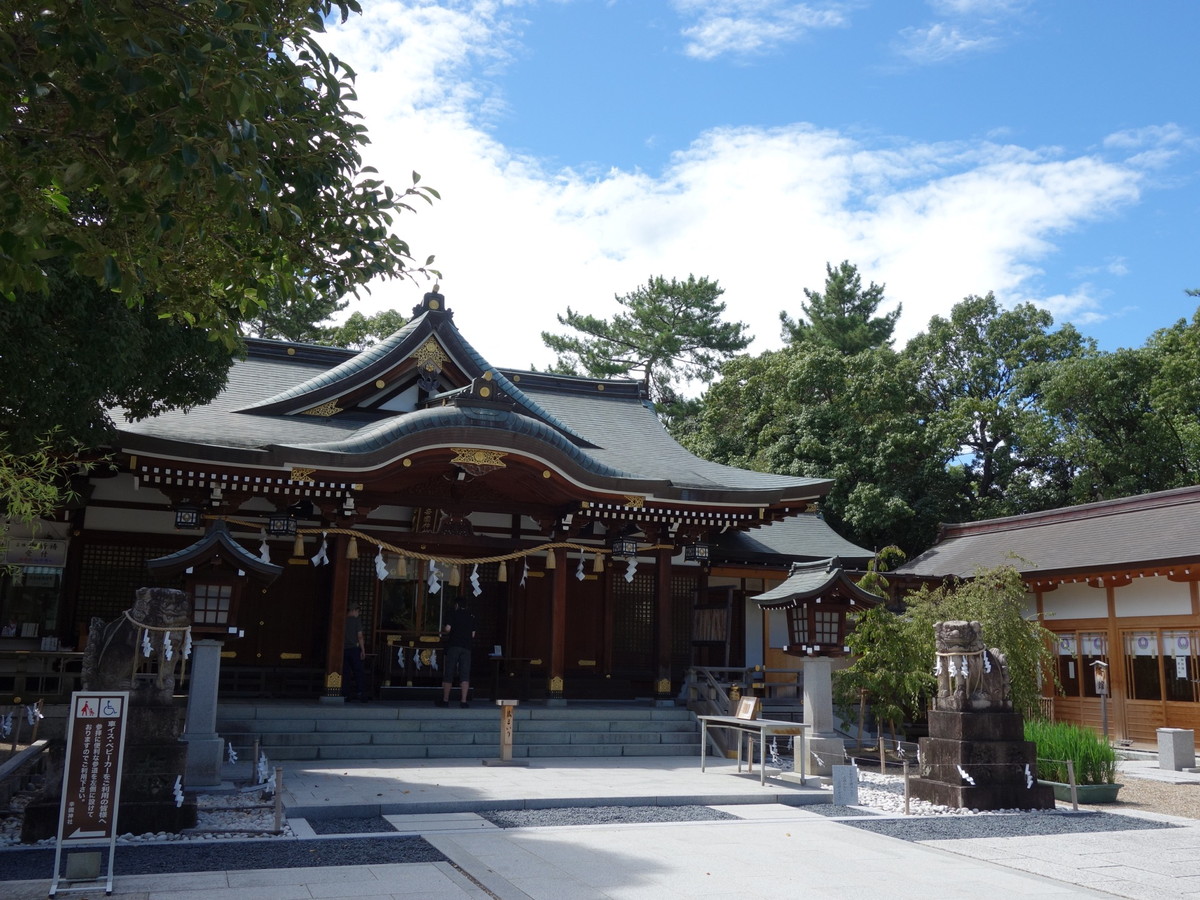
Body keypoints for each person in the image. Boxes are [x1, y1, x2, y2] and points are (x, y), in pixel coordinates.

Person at [437, 597, 476, 708]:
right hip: (467, 647)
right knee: (465, 674)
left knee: (449, 672)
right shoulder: (471, 615)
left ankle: (445, 700)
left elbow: (448, 628)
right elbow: (473, 634)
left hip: (454, 645)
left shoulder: (452, 613)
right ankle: (463, 701)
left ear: (457, 605)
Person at [342, 605, 369, 703]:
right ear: (353, 610)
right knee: (358, 671)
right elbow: (360, 636)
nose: (358, 614)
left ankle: (345, 694)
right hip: (354, 649)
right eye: (358, 611)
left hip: (343, 649)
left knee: (346, 672)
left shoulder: (342, 620)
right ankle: (361, 692)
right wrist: (363, 650)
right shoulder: (356, 621)